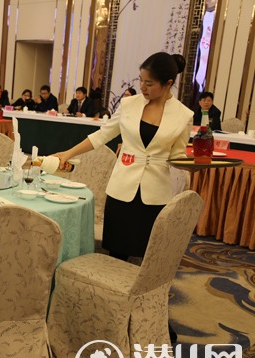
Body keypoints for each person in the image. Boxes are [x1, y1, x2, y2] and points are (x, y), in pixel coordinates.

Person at [41, 52, 192, 263]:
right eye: (141, 80)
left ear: (168, 83)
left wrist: (193, 165)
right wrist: (68, 153)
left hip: (156, 192)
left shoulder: (184, 115)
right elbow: (102, 135)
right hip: (123, 187)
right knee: (117, 253)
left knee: (148, 253)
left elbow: (177, 156)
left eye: (149, 83)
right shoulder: (129, 104)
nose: (142, 87)